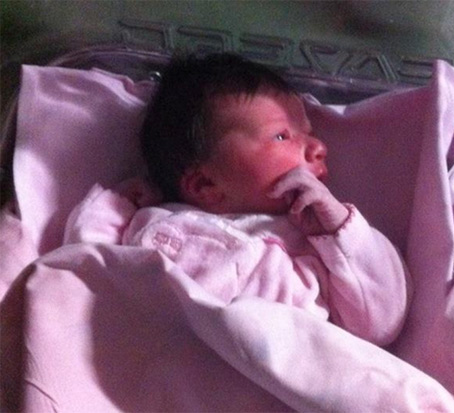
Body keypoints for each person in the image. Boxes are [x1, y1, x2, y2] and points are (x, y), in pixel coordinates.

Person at [67, 53, 411, 346]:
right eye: (282, 135)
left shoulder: (313, 247)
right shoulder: (155, 224)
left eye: (310, 133)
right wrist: (119, 203)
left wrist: (339, 228)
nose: (318, 147)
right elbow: (84, 273)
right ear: (204, 184)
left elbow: (381, 323)